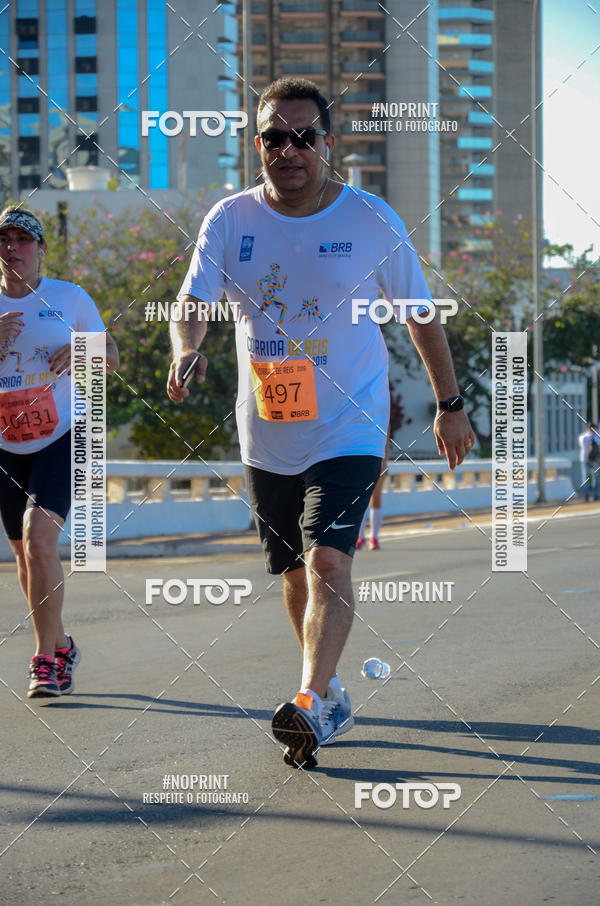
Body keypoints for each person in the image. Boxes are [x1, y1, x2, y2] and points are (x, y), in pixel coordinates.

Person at [168, 78, 474, 768]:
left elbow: (421, 316)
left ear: (327, 144)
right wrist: (186, 349)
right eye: (276, 136)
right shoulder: (230, 219)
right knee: (295, 574)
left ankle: (308, 700)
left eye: (305, 136)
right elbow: (193, 300)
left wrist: (451, 407)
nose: (291, 149)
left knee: (329, 558)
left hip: (351, 426)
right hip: (268, 432)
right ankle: (330, 687)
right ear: (259, 146)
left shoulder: (370, 220)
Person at [0, 207, 119, 697]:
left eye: (23, 240)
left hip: (61, 435)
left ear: (41, 248)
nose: (12, 249)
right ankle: (63, 642)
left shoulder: (68, 298)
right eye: (4, 240)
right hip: (7, 442)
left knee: (40, 539)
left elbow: (111, 359)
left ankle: (44, 660)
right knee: (28, 560)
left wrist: (85, 349)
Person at [356, 423, 391, 551]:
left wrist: (384, 461)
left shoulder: (381, 411)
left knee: (375, 498)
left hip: (377, 460)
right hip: (359, 461)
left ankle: (374, 537)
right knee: (359, 500)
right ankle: (360, 537)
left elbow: (386, 438)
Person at [578, 422, 599, 502]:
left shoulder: (582, 436)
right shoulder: (595, 436)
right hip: (594, 460)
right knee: (596, 477)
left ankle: (586, 496)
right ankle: (595, 495)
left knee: (585, 478)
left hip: (584, 459)